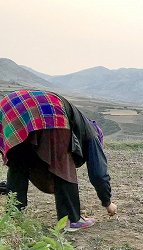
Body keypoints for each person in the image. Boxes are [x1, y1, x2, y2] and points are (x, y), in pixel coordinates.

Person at [0, 89, 117, 231]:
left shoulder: (79, 121)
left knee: (19, 160)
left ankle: (14, 214)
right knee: (62, 164)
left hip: (8, 105)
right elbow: (99, 174)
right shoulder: (92, 134)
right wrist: (107, 202)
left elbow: (37, 162)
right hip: (48, 109)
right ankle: (71, 219)